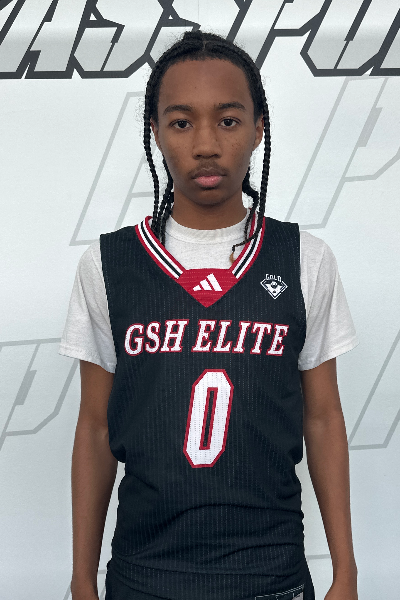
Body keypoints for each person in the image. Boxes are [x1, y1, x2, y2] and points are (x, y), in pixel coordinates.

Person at [59, 31, 359, 600]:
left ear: (258, 127)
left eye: (227, 120)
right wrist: (81, 578)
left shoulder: (304, 259)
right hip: (144, 577)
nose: (205, 144)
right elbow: (95, 427)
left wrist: (346, 572)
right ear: (154, 132)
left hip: (269, 577)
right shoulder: (109, 264)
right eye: (180, 122)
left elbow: (323, 418)